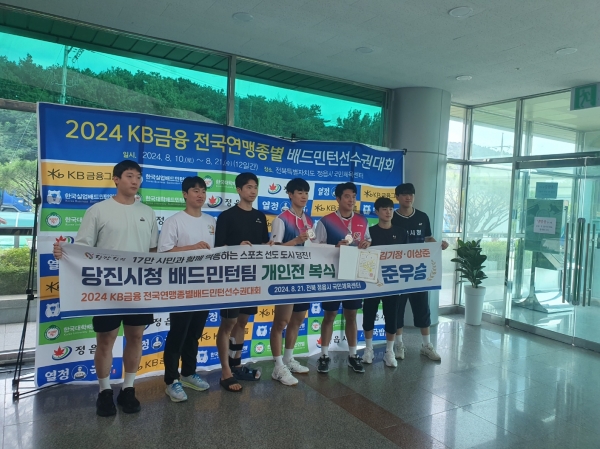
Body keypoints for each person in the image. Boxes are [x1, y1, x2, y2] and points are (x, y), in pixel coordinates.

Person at [53, 160, 158, 417]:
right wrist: (64, 253)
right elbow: (82, 249)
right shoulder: (98, 211)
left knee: (136, 337)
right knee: (106, 340)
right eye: (130, 176)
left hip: (138, 288)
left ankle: (129, 388)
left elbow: (153, 251)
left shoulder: (148, 212)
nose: (135, 181)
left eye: (138, 177)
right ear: (116, 179)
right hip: (105, 289)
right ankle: (104, 391)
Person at [158, 176, 214, 402]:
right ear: (184, 194)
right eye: (195, 191)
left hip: (205, 286)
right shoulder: (174, 221)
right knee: (178, 333)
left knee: (194, 334)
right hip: (181, 286)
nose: (200, 195)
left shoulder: (211, 221)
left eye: (203, 191)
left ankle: (189, 373)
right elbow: (164, 253)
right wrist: (193, 248)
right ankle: (171, 380)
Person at [214, 172, 269, 392]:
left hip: (252, 278)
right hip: (231, 278)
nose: (252, 191)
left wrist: (269, 247)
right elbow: (217, 249)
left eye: (255, 187)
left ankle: (236, 364)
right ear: (238, 190)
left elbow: (264, 245)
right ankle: (225, 371)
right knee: (228, 323)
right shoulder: (226, 216)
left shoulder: (260, 216)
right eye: (248, 187)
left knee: (242, 322)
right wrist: (237, 248)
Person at [314, 182, 371, 374]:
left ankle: (353, 355)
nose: (351, 200)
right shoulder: (326, 221)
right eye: (347, 196)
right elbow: (316, 248)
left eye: (354, 196)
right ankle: (324, 355)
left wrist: (367, 243)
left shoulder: (362, 220)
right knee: (329, 315)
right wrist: (333, 248)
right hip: (332, 275)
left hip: (353, 274)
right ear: (338, 199)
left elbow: (368, 240)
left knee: (351, 315)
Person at [392, 183, 448, 361]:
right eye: (404, 194)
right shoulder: (392, 217)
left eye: (411, 194)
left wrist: (438, 245)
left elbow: (428, 238)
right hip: (399, 273)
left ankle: (426, 345)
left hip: (418, 273)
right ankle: (398, 345)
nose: (408, 197)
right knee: (398, 310)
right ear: (397, 197)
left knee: (423, 309)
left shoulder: (422, 217)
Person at [269, 178, 313, 386]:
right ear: (290, 194)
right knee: (281, 322)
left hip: (304, 276)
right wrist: (295, 241)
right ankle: (277, 367)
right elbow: (273, 250)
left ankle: (288, 358)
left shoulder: (309, 220)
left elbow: (314, 248)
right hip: (285, 276)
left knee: (298, 319)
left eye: (306, 193)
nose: (303, 196)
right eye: (299, 192)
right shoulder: (281, 219)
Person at [361, 197, 407, 368]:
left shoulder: (401, 232)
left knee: (392, 316)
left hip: (392, 282)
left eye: (390, 209)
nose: (388, 212)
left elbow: (408, 255)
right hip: (372, 281)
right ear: (377, 212)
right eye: (384, 209)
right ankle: (368, 349)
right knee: (369, 314)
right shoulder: (369, 232)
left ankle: (389, 351)